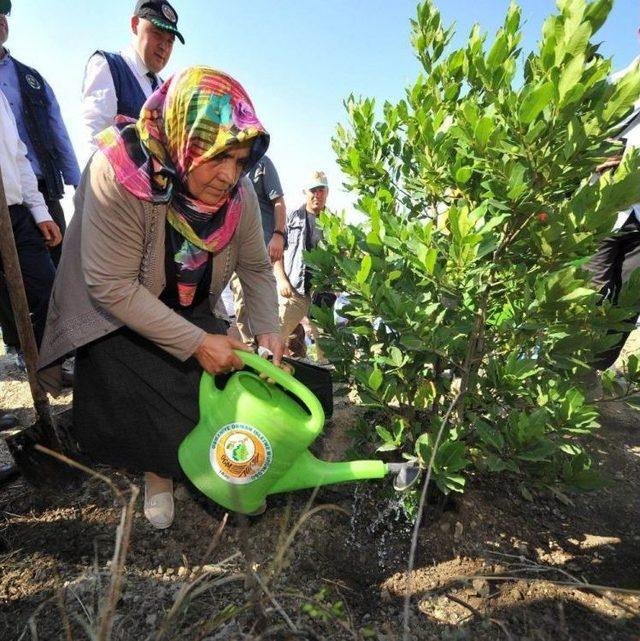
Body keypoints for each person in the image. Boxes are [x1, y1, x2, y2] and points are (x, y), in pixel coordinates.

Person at [37, 67, 283, 529]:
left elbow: (254, 267)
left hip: (188, 302)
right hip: (112, 312)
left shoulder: (241, 194)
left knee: (223, 379)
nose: (230, 176)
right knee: (145, 374)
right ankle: (159, 472)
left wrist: (268, 330)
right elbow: (110, 286)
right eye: (219, 157)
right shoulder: (119, 171)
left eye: (241, 160)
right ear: (187, 140)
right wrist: (194, 343)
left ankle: (222, 467)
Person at [0, 88, 61, 483]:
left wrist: (38, 210)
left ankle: (48, 374)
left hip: (15, 212)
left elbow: (18, 156)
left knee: (47, 291)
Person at [0, 0, 80, 265]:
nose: (0, 17)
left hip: (43, 189)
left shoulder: (32, 78)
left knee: (59, 275)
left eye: (2, 12)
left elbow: (58, 131)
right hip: (7, 194)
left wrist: (78, 184)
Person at [586, 51, 640, 371]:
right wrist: (597, 154)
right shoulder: (616, 85)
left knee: (629, 299)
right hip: (605, 207)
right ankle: (563, 368)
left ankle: (593, 372)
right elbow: (585, 137)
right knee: (590, 287)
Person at [80, 0, 184, 159]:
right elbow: (94, 137)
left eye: (170, 41)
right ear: (135, 24)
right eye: (157, 33)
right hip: (112, 182)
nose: (164, 46)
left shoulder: (167, 91)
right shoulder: (109, 66)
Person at [275, 171, 335, 359]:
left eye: (321, 190)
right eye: (313, 190)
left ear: (327, 193)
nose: (317, 194)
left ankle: (324, 380)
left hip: (322, 289)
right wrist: (281, 280)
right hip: (294, 289)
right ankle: (267, 376)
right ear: (305, 192)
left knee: (326, 348)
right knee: (275, 336)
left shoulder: (334, 222)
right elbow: (276, 252)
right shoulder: (292, 217)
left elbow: (341, 256)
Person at [231, 155, 287, 342]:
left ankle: (261, 352)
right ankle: (251, 350)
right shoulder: (227, 162)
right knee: (240, 305)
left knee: (259, 304)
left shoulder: (262, 163)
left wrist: (278, 234)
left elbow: (278, 201)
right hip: (231, 249)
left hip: (259, 250)